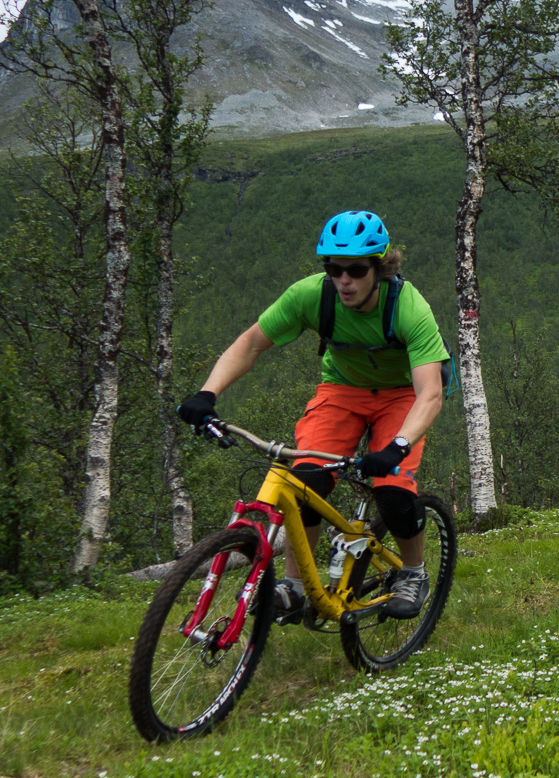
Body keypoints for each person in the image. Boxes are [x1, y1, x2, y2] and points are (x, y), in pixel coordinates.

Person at [175, 209, 448, 619]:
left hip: (401, 395)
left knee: (392, 491)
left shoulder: (408, 307)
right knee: (305, 482)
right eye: (334, 269)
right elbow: (250, 344)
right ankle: (294, 586)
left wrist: (398, 446)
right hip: (342, 391)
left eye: (356, 270)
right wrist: (206, 394)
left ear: (380, 268)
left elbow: (431, 393)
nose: (344, 280)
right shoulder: (311, 295)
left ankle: (413, 572)